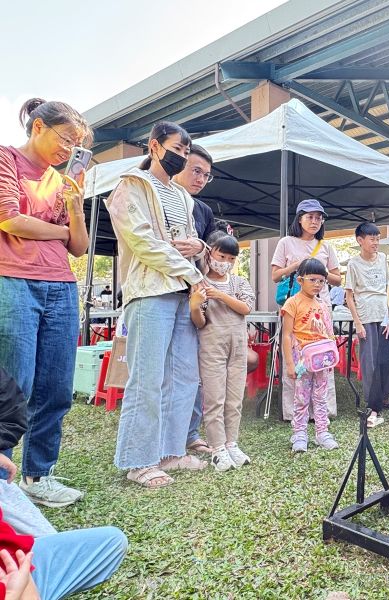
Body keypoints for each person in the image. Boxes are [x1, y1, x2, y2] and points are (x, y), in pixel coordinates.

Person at [105, 121, 209, 489]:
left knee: (184, 377)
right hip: (150, 291)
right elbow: (143, 242)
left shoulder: (183, 197)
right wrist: (192, 272)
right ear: (154, 146)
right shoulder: (130, 186)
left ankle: (169, 452)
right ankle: (139, 461)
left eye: (185, 151)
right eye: (177, 149)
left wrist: (199, 247)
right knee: (147, 378)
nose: (181, 156)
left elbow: (192, 240)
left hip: (182, 293)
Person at [0, 98, 92, 508]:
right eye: (65, 138)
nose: (69, 149)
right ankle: (2, 476)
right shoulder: (6, 159)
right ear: (38, 127)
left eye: (77, 145)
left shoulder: (62, 181)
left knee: (55, 387)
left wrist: (74, 207)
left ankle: (38, 475)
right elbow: (9, 219)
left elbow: (80, 246)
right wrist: (59, 232)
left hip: (61, 285)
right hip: (13, 279)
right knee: (13, 385)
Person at [0, 366, 128, 600]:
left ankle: (37, 479)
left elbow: (12, 406)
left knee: (112, 541)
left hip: (17, 565)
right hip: (15, 577)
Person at [271, 199, 341, 422]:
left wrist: (318, 271)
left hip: (321, 306)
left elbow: (338, 279)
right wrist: (297, 266)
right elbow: (275, 275)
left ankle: (323, 410)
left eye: (319, 218)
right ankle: (294, 411)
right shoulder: (286, 242)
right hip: (295, 305)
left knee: (323, 351)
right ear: (299, 218)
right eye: (310, 217)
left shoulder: (326, 247)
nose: (315, 221)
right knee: (295, 351)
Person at [190, 232, 254, 472]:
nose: (225, 262)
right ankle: (217, 448)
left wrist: (221, 295)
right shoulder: (200, 284)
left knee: (235, 399)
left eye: (231, 258)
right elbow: (199, 322)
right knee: (215, 399)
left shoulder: (239, 283)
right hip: (212, 348)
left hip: (237, 349)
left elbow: (246, 308)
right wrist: (195, 307)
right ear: (209, 253)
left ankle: (231, 443)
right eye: (221, 256)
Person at [172, 143, 218, 456]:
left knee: (193, 371)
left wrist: (201, 247)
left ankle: (190, 433)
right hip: (160, 292)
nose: (200, 179)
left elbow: (215, 251)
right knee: (164, 373)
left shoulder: (203, 211)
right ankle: (167, 437)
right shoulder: (158, 198)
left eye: (206, 175)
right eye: (196, 171)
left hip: (193, 295)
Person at [281, 258, 339, 453]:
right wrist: (290, 364)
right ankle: (299, 433)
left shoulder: (322, 304)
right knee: (301, 397)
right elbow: (286, 335)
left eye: (321, 281)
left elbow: (329, 333)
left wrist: (332, 356)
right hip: (302, 360)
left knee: (321, 396)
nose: (317, 284)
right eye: (312, 280)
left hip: (323, 359)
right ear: (300, 280)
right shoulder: (292, 303)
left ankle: (322, 432)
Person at [344, 222, 389, 428]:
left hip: (384, 315)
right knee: (370, 363)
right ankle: (373, 406)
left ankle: (385, 398)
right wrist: (357, 323)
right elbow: (349, 296)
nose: (376, 242)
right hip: (366, 316)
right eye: (372, 239)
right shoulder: (353, 264)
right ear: (360, 240)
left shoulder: (382, 258)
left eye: (378, 239)